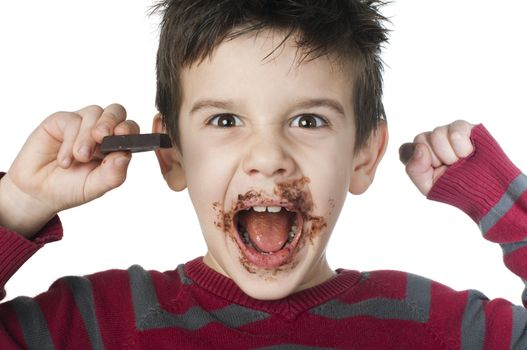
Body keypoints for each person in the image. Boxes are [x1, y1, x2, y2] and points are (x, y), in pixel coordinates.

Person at [0, 0, 526, 348]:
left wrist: (506, 207)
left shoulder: (431, 326)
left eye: (308, 120)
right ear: (172, 154)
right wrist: (17, 204)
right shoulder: (94, 324)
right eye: (225, 120)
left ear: (363, 155)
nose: (268, 156)